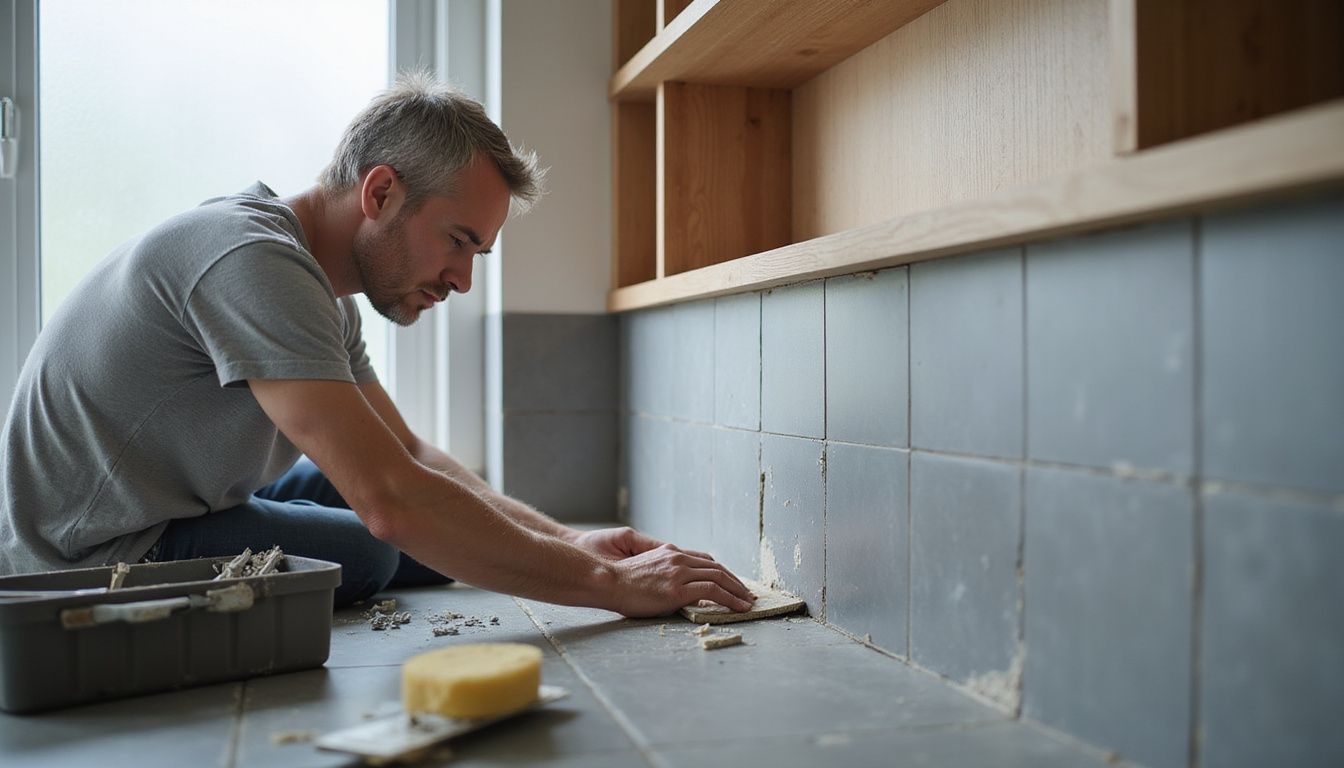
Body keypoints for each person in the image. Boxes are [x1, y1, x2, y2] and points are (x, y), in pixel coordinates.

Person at [0, 73, 754, 616]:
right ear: (381, 192)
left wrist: (570, 540)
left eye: (477, 255)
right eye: (457, 241)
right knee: (376, 548)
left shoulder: (318, 290)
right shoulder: (250, 261)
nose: (461, 278)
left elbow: (411, 457)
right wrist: (611, 587)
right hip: (96, 555)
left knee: (391, 508)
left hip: (176, 502)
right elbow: (391, 501)